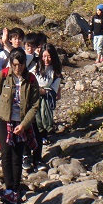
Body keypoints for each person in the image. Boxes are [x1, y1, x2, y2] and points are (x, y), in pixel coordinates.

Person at [0, 48, 40, 204]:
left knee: (17, 155)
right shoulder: (2, 76)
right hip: (3, 119)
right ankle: (8, 188)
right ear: (11, 63)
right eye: (15, 64)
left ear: (25, 63)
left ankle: (15, 189)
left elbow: (35, 105)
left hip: (21, 121)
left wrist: (24, 124)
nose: (18, 68)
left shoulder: (31, 79)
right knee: (6, 153)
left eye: (21, 64)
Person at [29, 43, 62, 171]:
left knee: (39, 131)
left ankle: (37, 159)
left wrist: (41, 90)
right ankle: (26, 157)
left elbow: (53, 90)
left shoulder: (56, 71)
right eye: (44, 56)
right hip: (30, 102)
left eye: (49, 57)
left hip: (43, 105)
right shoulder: (34, 66)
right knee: (28, 129)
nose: (46, 59)